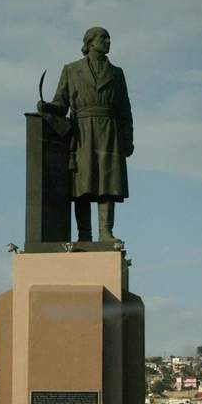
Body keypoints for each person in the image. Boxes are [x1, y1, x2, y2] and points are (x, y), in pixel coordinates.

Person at [37, 26, 134, 242]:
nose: (108, 41)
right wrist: (48, 107)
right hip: (82, 133)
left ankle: (105, 232)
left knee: (108, 182)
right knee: (82, 184)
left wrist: (128, 140)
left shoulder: (117, 73)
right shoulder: (71, 70)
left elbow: (125, 110)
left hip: (109, 132)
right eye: (103, 38)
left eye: (109, 38)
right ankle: (84, 234)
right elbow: (61, 104)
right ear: (90, 43)